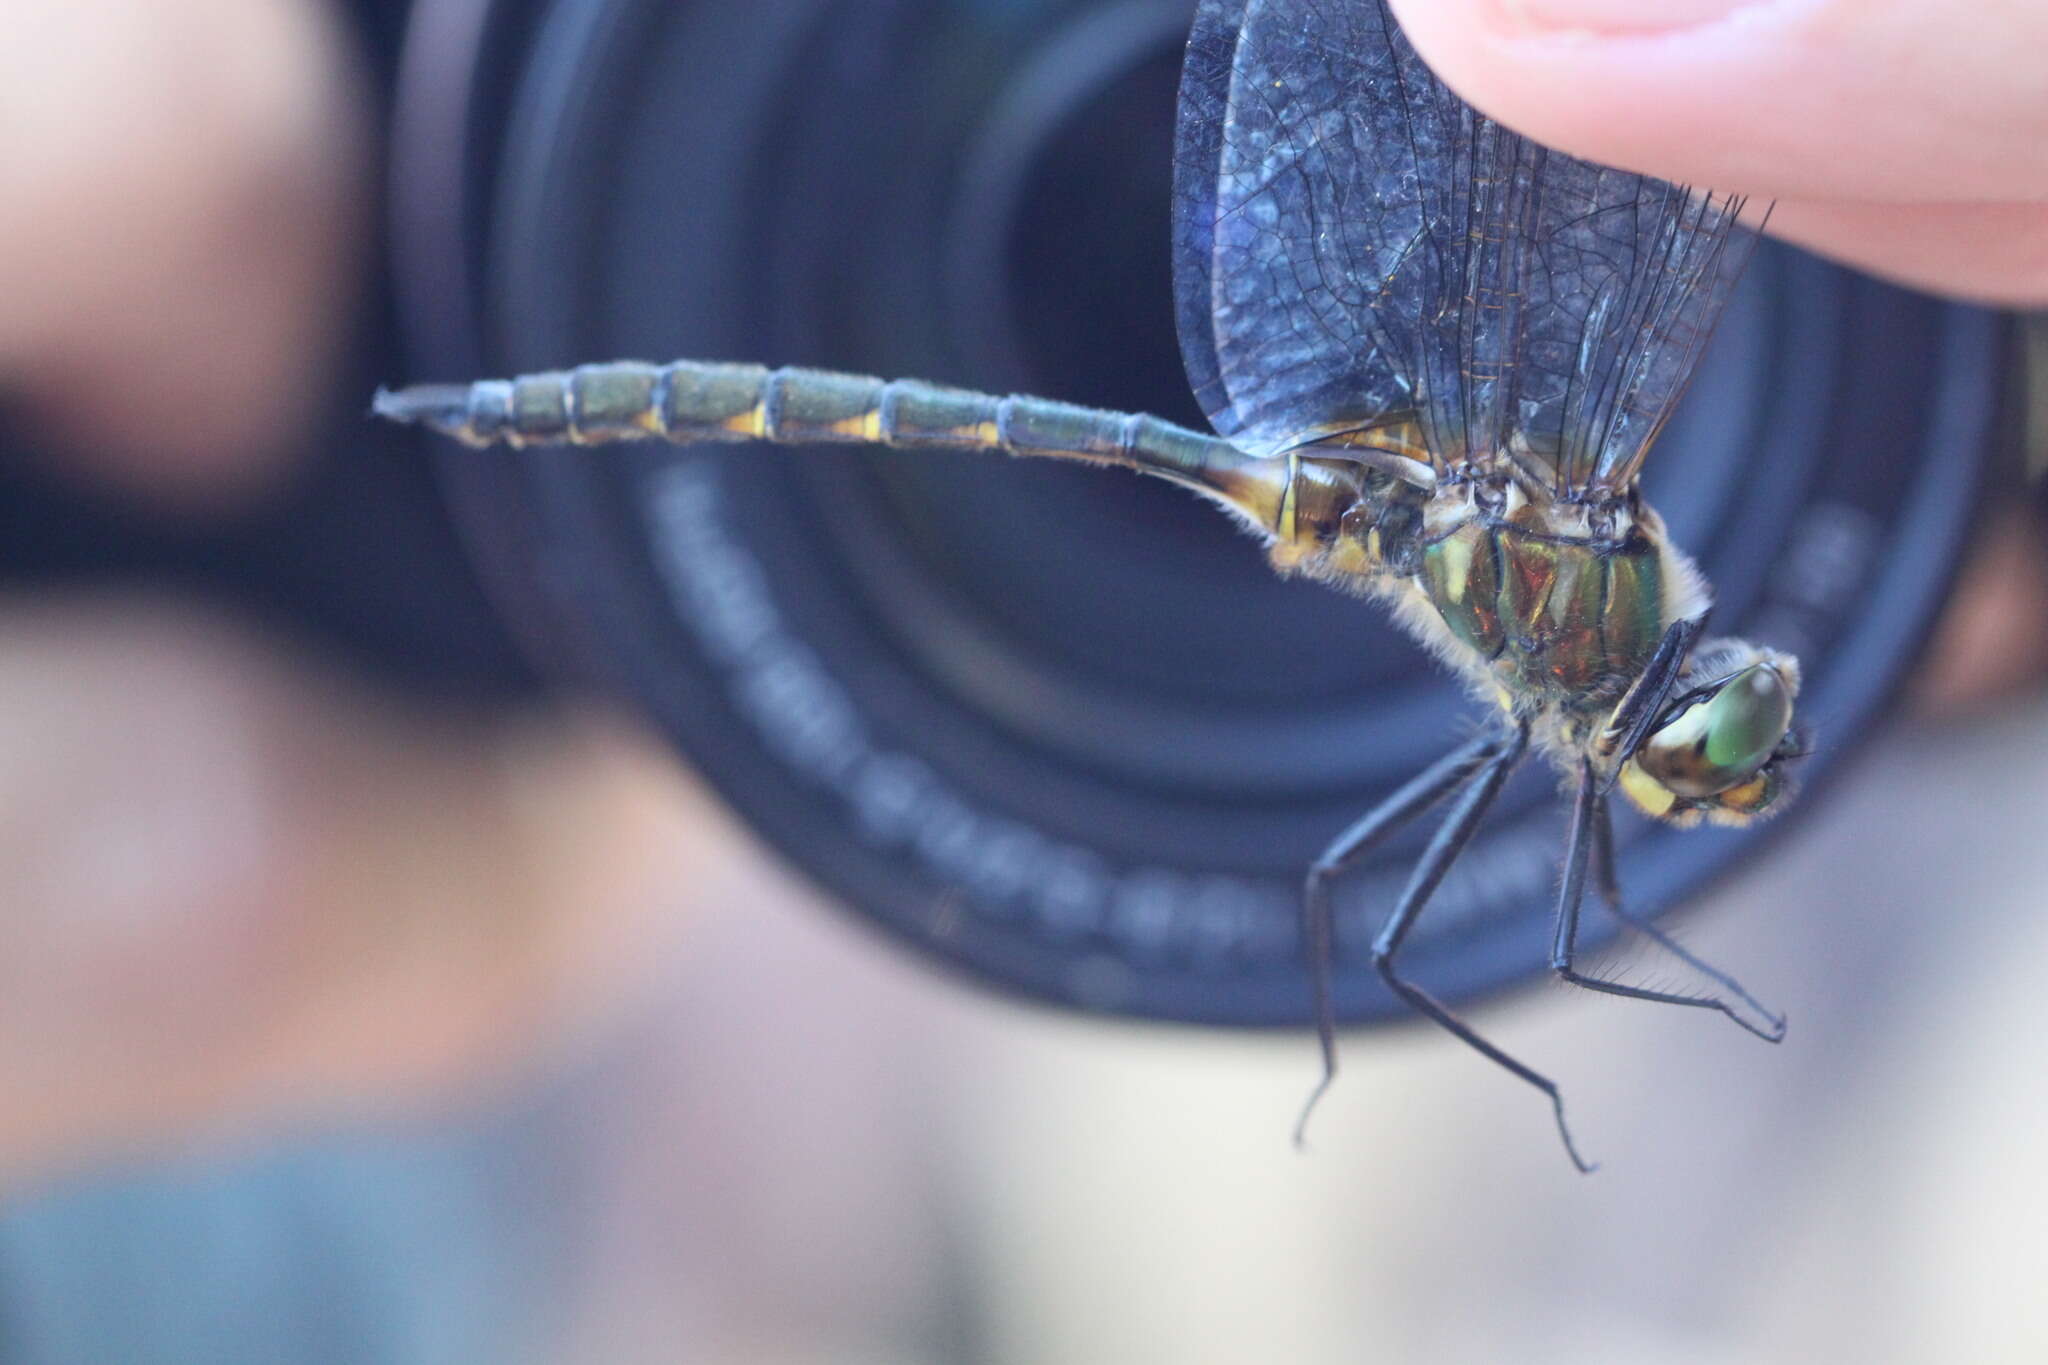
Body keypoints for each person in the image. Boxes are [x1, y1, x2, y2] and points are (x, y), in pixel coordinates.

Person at [0, 0, 2038, 1189]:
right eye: (1729, 737)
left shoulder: (1565, 531)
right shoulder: (1568, 583)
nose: (1730, 747)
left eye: (1725, 738)